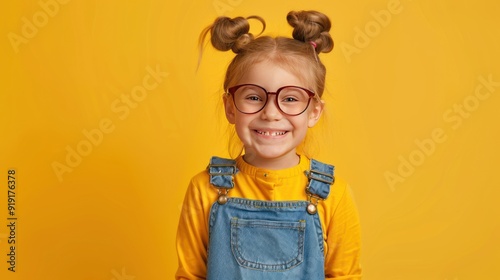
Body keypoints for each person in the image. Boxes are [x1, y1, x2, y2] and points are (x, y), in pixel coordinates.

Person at [176, 10, 362, 280]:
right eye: (253, 97)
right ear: (230, 107)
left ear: (314, 111)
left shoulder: (335, 196)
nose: (271, 113)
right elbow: (190, 275)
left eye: (290, 99)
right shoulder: (204, 189)